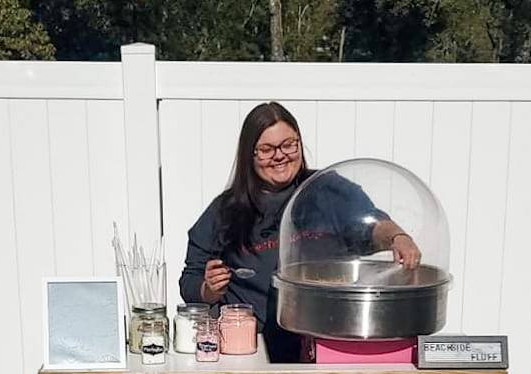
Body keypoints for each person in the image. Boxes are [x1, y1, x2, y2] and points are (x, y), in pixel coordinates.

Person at [179, 101, 421, 362]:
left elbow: (371, 224)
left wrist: (398, 237)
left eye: (288, 144)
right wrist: (209, 290)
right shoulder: (225, 210)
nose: (280, 155)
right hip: (254, 350)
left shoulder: (327, 189)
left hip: (328, 340)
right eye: (267, 149)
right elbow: (190, 280)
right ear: (250, 154)